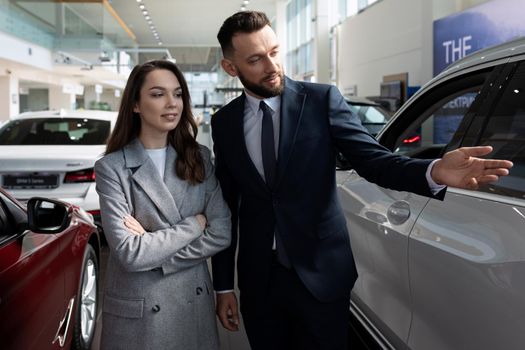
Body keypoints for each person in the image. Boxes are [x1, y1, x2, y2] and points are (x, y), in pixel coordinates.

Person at [210, 11, 513, 350]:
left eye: (275, 52)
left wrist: (432, 171)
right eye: (255, 59)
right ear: (231, 68)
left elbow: (374, 161)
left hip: (322, 278)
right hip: (259, 281)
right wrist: (223, 286)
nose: (272, 66)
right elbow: (226, 208)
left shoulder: (321, 100)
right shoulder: (225, 123)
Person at [94, 60, 231, 350]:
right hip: (140, 313)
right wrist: (194, 225)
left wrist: (153, 250)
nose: (172, 103)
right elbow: (130, 254)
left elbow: (221, 232)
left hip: (192, 306)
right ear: (135, 104)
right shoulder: (112, 167)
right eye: (158, 94)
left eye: (178, 94)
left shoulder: (200, 158)